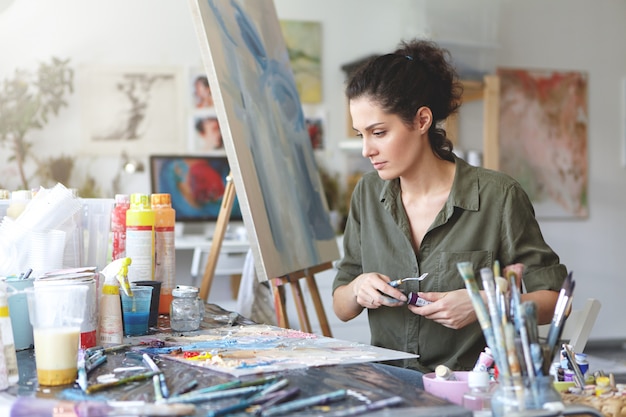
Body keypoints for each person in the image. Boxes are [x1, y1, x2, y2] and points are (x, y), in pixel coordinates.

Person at [332, 39, 567, 385]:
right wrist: (358, 289)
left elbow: (555, 301)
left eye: (379, 132)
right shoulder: (367, 194)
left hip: (470, 392)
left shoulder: (498, 196)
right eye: (360, 134)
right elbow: (341, 305)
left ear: (422, 120)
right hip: (387, 386)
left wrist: (484, 304)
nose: (367, 149)